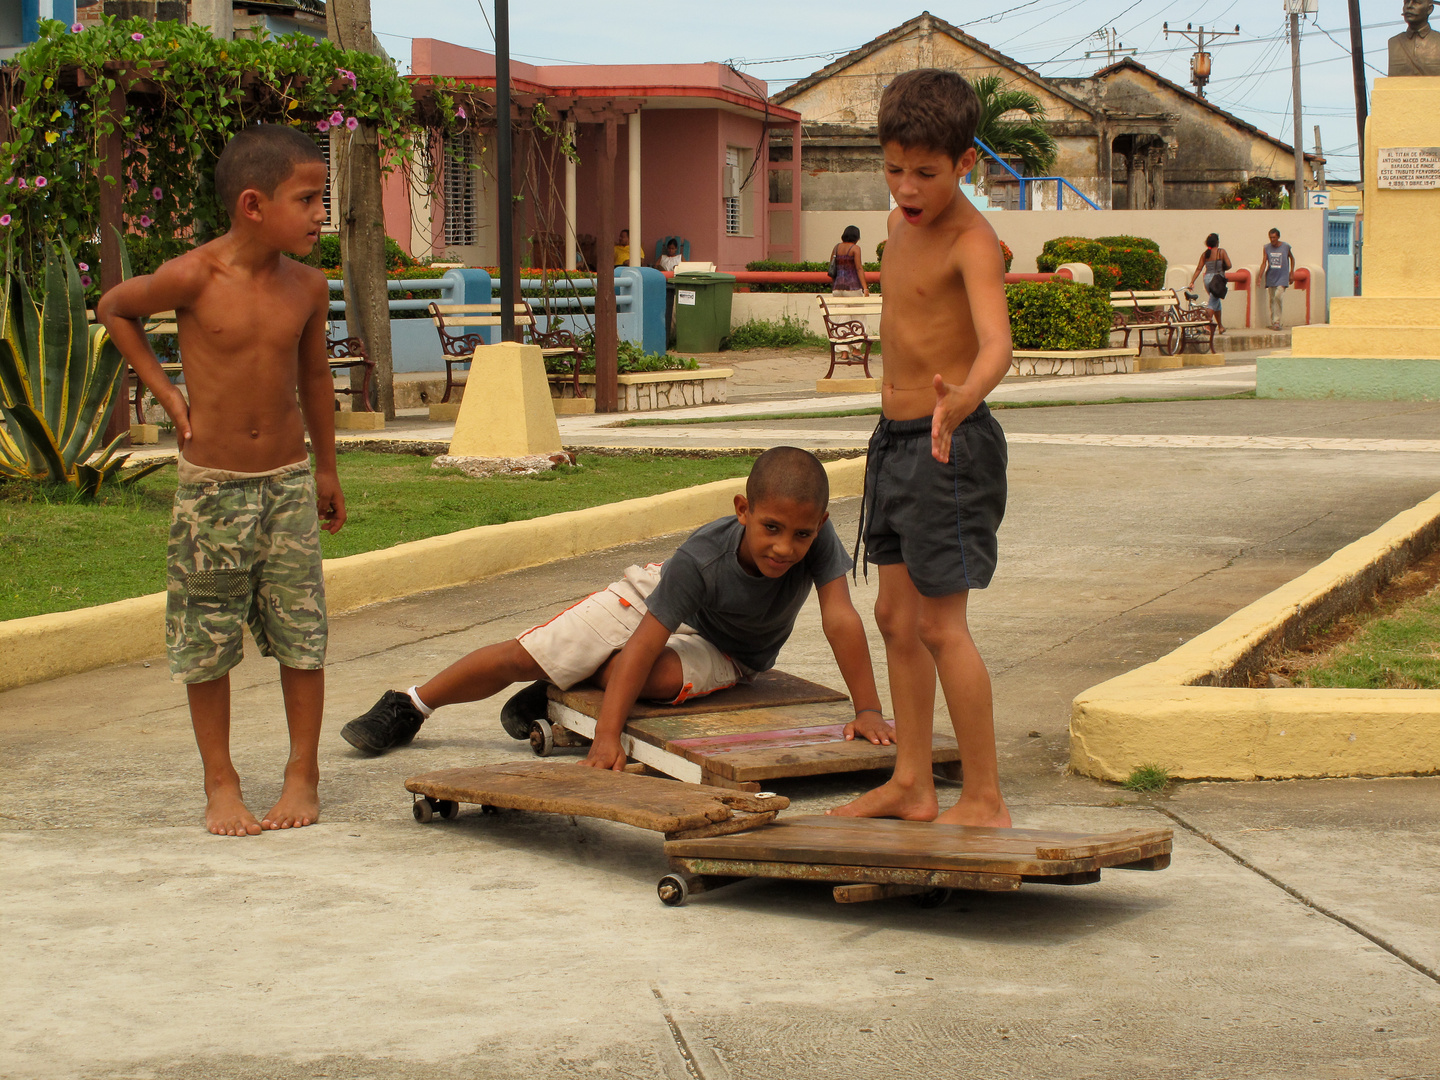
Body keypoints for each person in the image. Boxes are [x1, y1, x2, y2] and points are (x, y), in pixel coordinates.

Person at [97, 125, 344, 837]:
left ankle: (304, 772)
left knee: (303, 632)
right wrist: (167, 396)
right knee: (205, 636)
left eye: (320, 198)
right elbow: (115, 307)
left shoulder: (307, 286)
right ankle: (221, 780)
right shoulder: (193, 276)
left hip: (288, 483)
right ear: (252, 204)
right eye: (307, 199)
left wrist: (326, 468)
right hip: (213, 491)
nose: (319, 213)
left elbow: (316, 378)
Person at [340, 447, 892, 766]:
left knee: (651, 675)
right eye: (771, 528)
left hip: (730, 650)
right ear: (743, 510)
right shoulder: (698, 560)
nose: (784, 547)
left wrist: (867, 709)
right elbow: (649, 633)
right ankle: (411, 705)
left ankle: (572, 685)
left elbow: (840, 618)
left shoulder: (818, 541)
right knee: (526, 654)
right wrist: (606, 738)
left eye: (799, 534)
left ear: (818, 524)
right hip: (655, 597)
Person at [827, 69, 1012, 828]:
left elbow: (998, 344)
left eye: (926, 173)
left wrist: (964, 396)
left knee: (942, 625)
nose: (907, 187)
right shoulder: (899, 229)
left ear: (965, 162)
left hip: (950, 444)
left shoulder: (973, 241)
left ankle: (984, 797)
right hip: (894, 442)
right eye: (895, 168)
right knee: (896, 620)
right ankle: (912, 782)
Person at [1187, 233, 1232, 335]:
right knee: (1212, 303)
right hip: (1217, 280)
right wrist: (1222, 267)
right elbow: (1229, 265)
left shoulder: (1205, 254)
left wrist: (1192, 281)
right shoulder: (1221, 252)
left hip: (1207, 279)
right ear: (1217, 242)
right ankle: (1207, 325)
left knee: (1216, 302)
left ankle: (1220, 326)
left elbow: (1199, 268)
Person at [1261, 227, 1295, 331]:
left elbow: (1292, 258)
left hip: (1282, 277)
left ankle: (1277, 321)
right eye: (1270, 237)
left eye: (1274, 237)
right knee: (1272, 299)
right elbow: (1264, 262)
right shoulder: (1266, 247)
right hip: (1271, 276)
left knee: (1278, 297)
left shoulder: (1285, 246)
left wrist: (1291, 272)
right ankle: (1273, 321)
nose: (1272, 240)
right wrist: (1260, 277)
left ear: (1278, 237)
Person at [830, 225, 868, 296]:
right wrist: (865, 288)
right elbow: (859, 268)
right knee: (857, 307)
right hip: (853, 287)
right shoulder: (855, 248)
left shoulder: (836, 247)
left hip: (837, 288)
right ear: (856, 237)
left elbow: (832, 266)